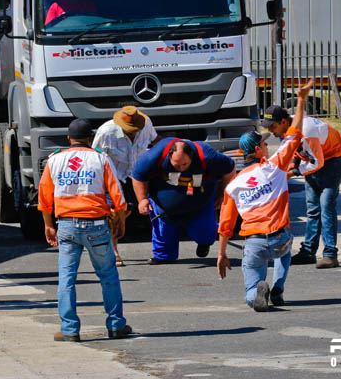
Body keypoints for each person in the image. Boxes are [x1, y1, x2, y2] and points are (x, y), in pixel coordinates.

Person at [217, 79, 314, 312]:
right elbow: (295, 133)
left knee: (251, 288)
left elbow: (225, 225)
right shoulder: (275, 167)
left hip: (254, 242)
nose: (267, 145)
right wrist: (300, 100)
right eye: (264, 143)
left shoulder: (233, 186)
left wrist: (221, 254)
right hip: (279, 238)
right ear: (258, 150)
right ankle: (278, 286)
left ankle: (257, 292)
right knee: (285, 248)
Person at [38, 118, 132, 342]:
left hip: (67, 225)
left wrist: (48, 225)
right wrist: (120, 221)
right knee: (108, 275)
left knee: (67, 279)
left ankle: (70, 329)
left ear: (68, 138)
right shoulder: (101, 158)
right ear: (90, 139)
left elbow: (44, 197)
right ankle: (116, 325)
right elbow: (117, 196)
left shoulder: (54, 160)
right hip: (97, 224)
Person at [132, 137, 235, 263]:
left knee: (205, 234)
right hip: (163, 206)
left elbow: (230, 170)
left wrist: (222, 194)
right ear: (169, 156)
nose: (180, 168)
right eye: (176, 164)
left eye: (184, 164)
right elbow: (138, 176)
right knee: (164, 230)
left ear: (192, 156)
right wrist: (142, 199)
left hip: (200, 202)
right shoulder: (154, 156)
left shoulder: (209, 157)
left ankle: (204, 243)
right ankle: (164, 256)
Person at [93, 106, 160, 266]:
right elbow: (95, 158)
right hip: (114, 178)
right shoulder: (105, 133)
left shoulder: (146, 124)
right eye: (129, 130)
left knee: (149, 208)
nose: (133, 132)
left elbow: (156, 141)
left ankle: (161, 251)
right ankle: (114, 251)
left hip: (137, 175)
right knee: (114, 215)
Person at [285, 115, 341, 269]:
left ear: (282, 122)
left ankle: (330, 254)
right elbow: (295, 148)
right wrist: (294, 162)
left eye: (272, 127)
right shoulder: (286, 130)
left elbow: (318, 163)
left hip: (332, 159)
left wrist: (292, 173)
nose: (272, 132)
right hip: (312, 159)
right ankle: (308, 252)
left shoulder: (308, 131)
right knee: (313, 208)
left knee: (326, 205)